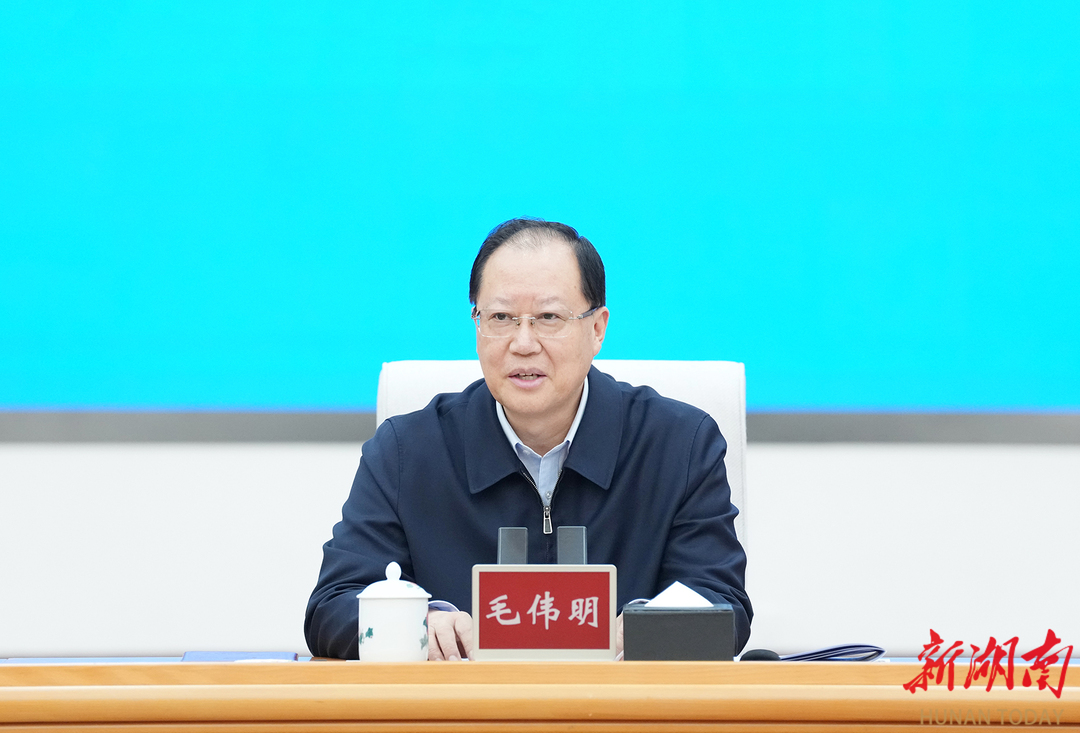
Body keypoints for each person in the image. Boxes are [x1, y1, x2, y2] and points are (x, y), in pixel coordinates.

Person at [305, 218, 751, 660]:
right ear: (477, 325)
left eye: (549, 318)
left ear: (597, 329)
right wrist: (420, 625)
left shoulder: (680, 446)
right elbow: (332, 606)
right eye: (501, 317)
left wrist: (640, 631)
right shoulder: (407, 452)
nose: (522, 343)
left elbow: (721, 605)